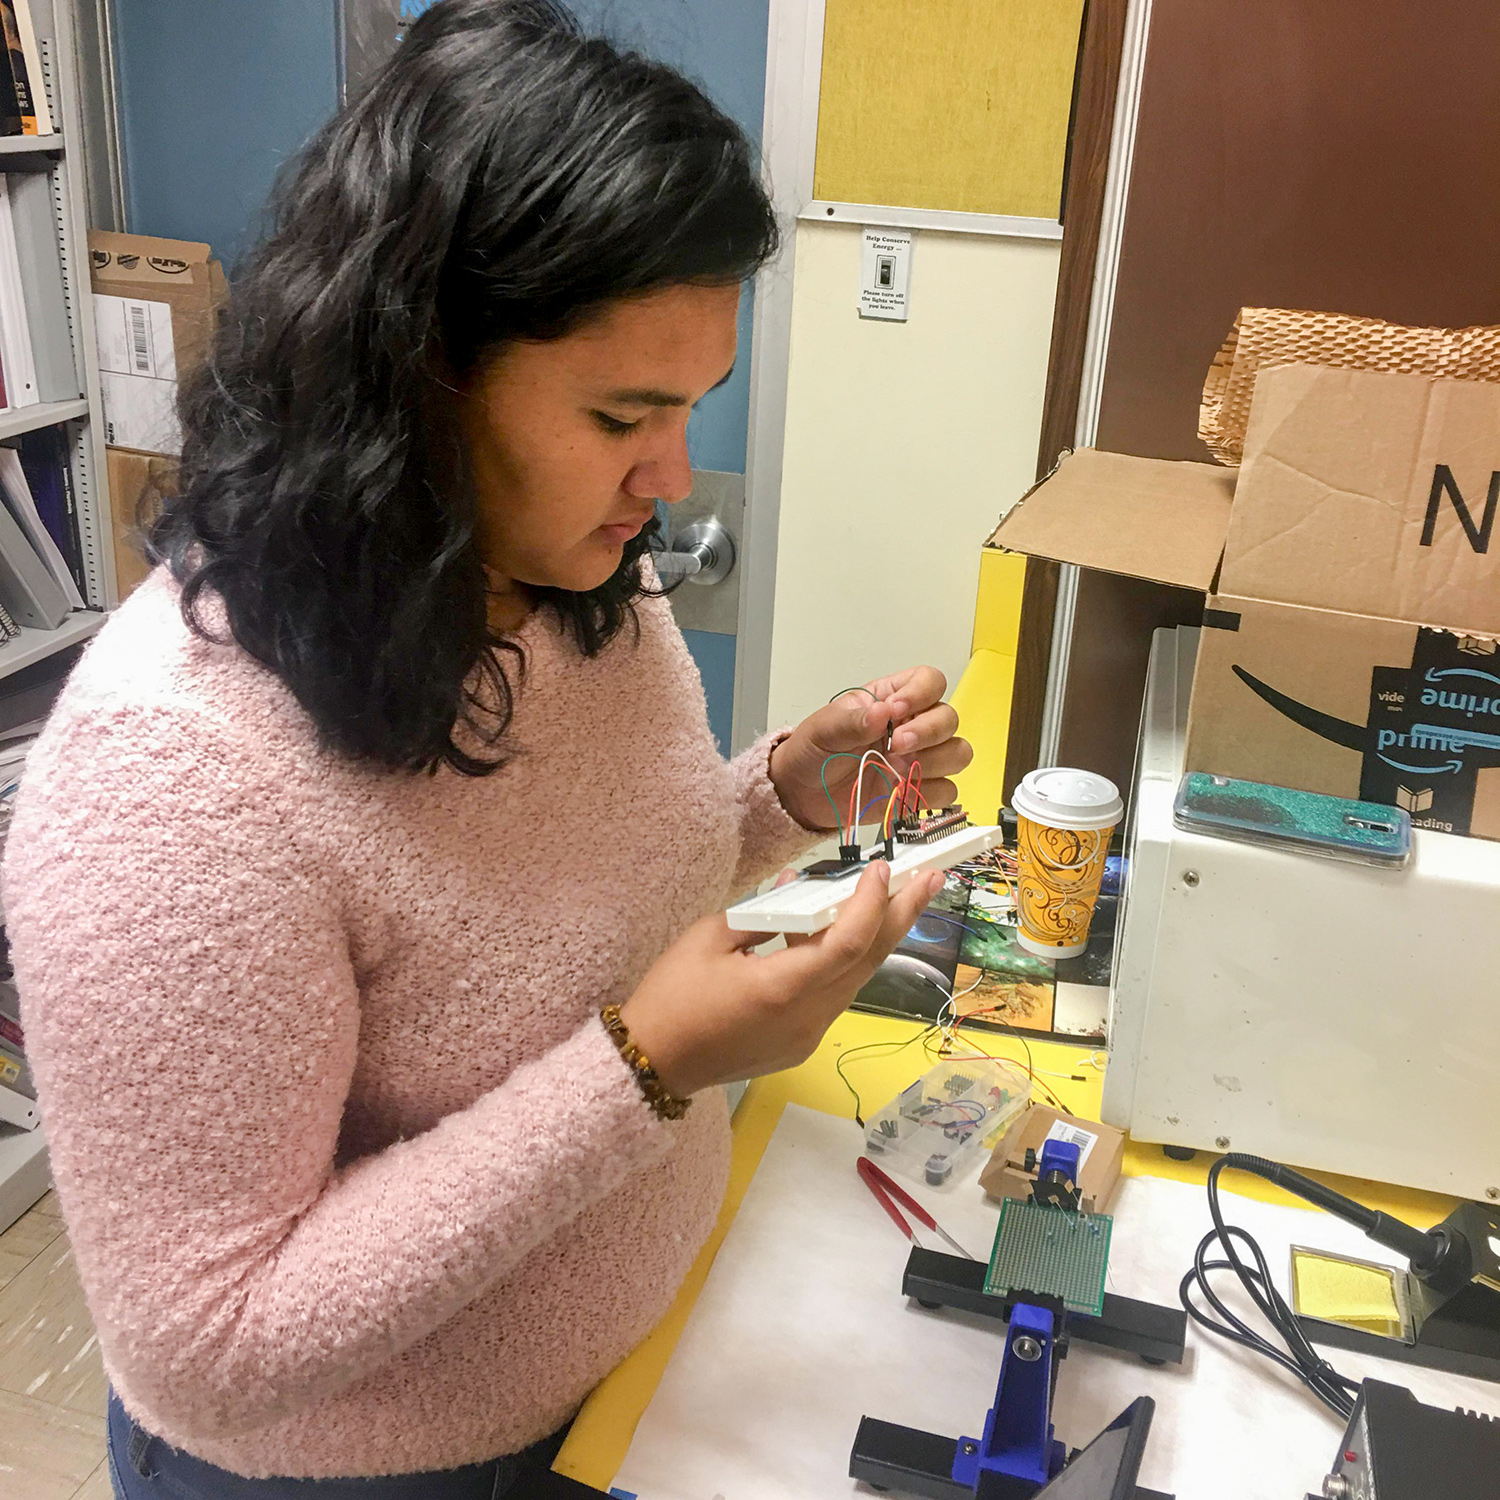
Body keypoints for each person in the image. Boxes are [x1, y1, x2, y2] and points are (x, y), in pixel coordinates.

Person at [1, 3, 970, 1495]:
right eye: (620, 414)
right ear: (414, 373)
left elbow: (566, 900)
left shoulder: (573, 575)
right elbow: (208, 1337)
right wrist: (647, 1071)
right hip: (376, 1471)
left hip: (629, 1388)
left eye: (692, 406)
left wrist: (779, 798)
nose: (673, 476)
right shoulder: (171, 776)